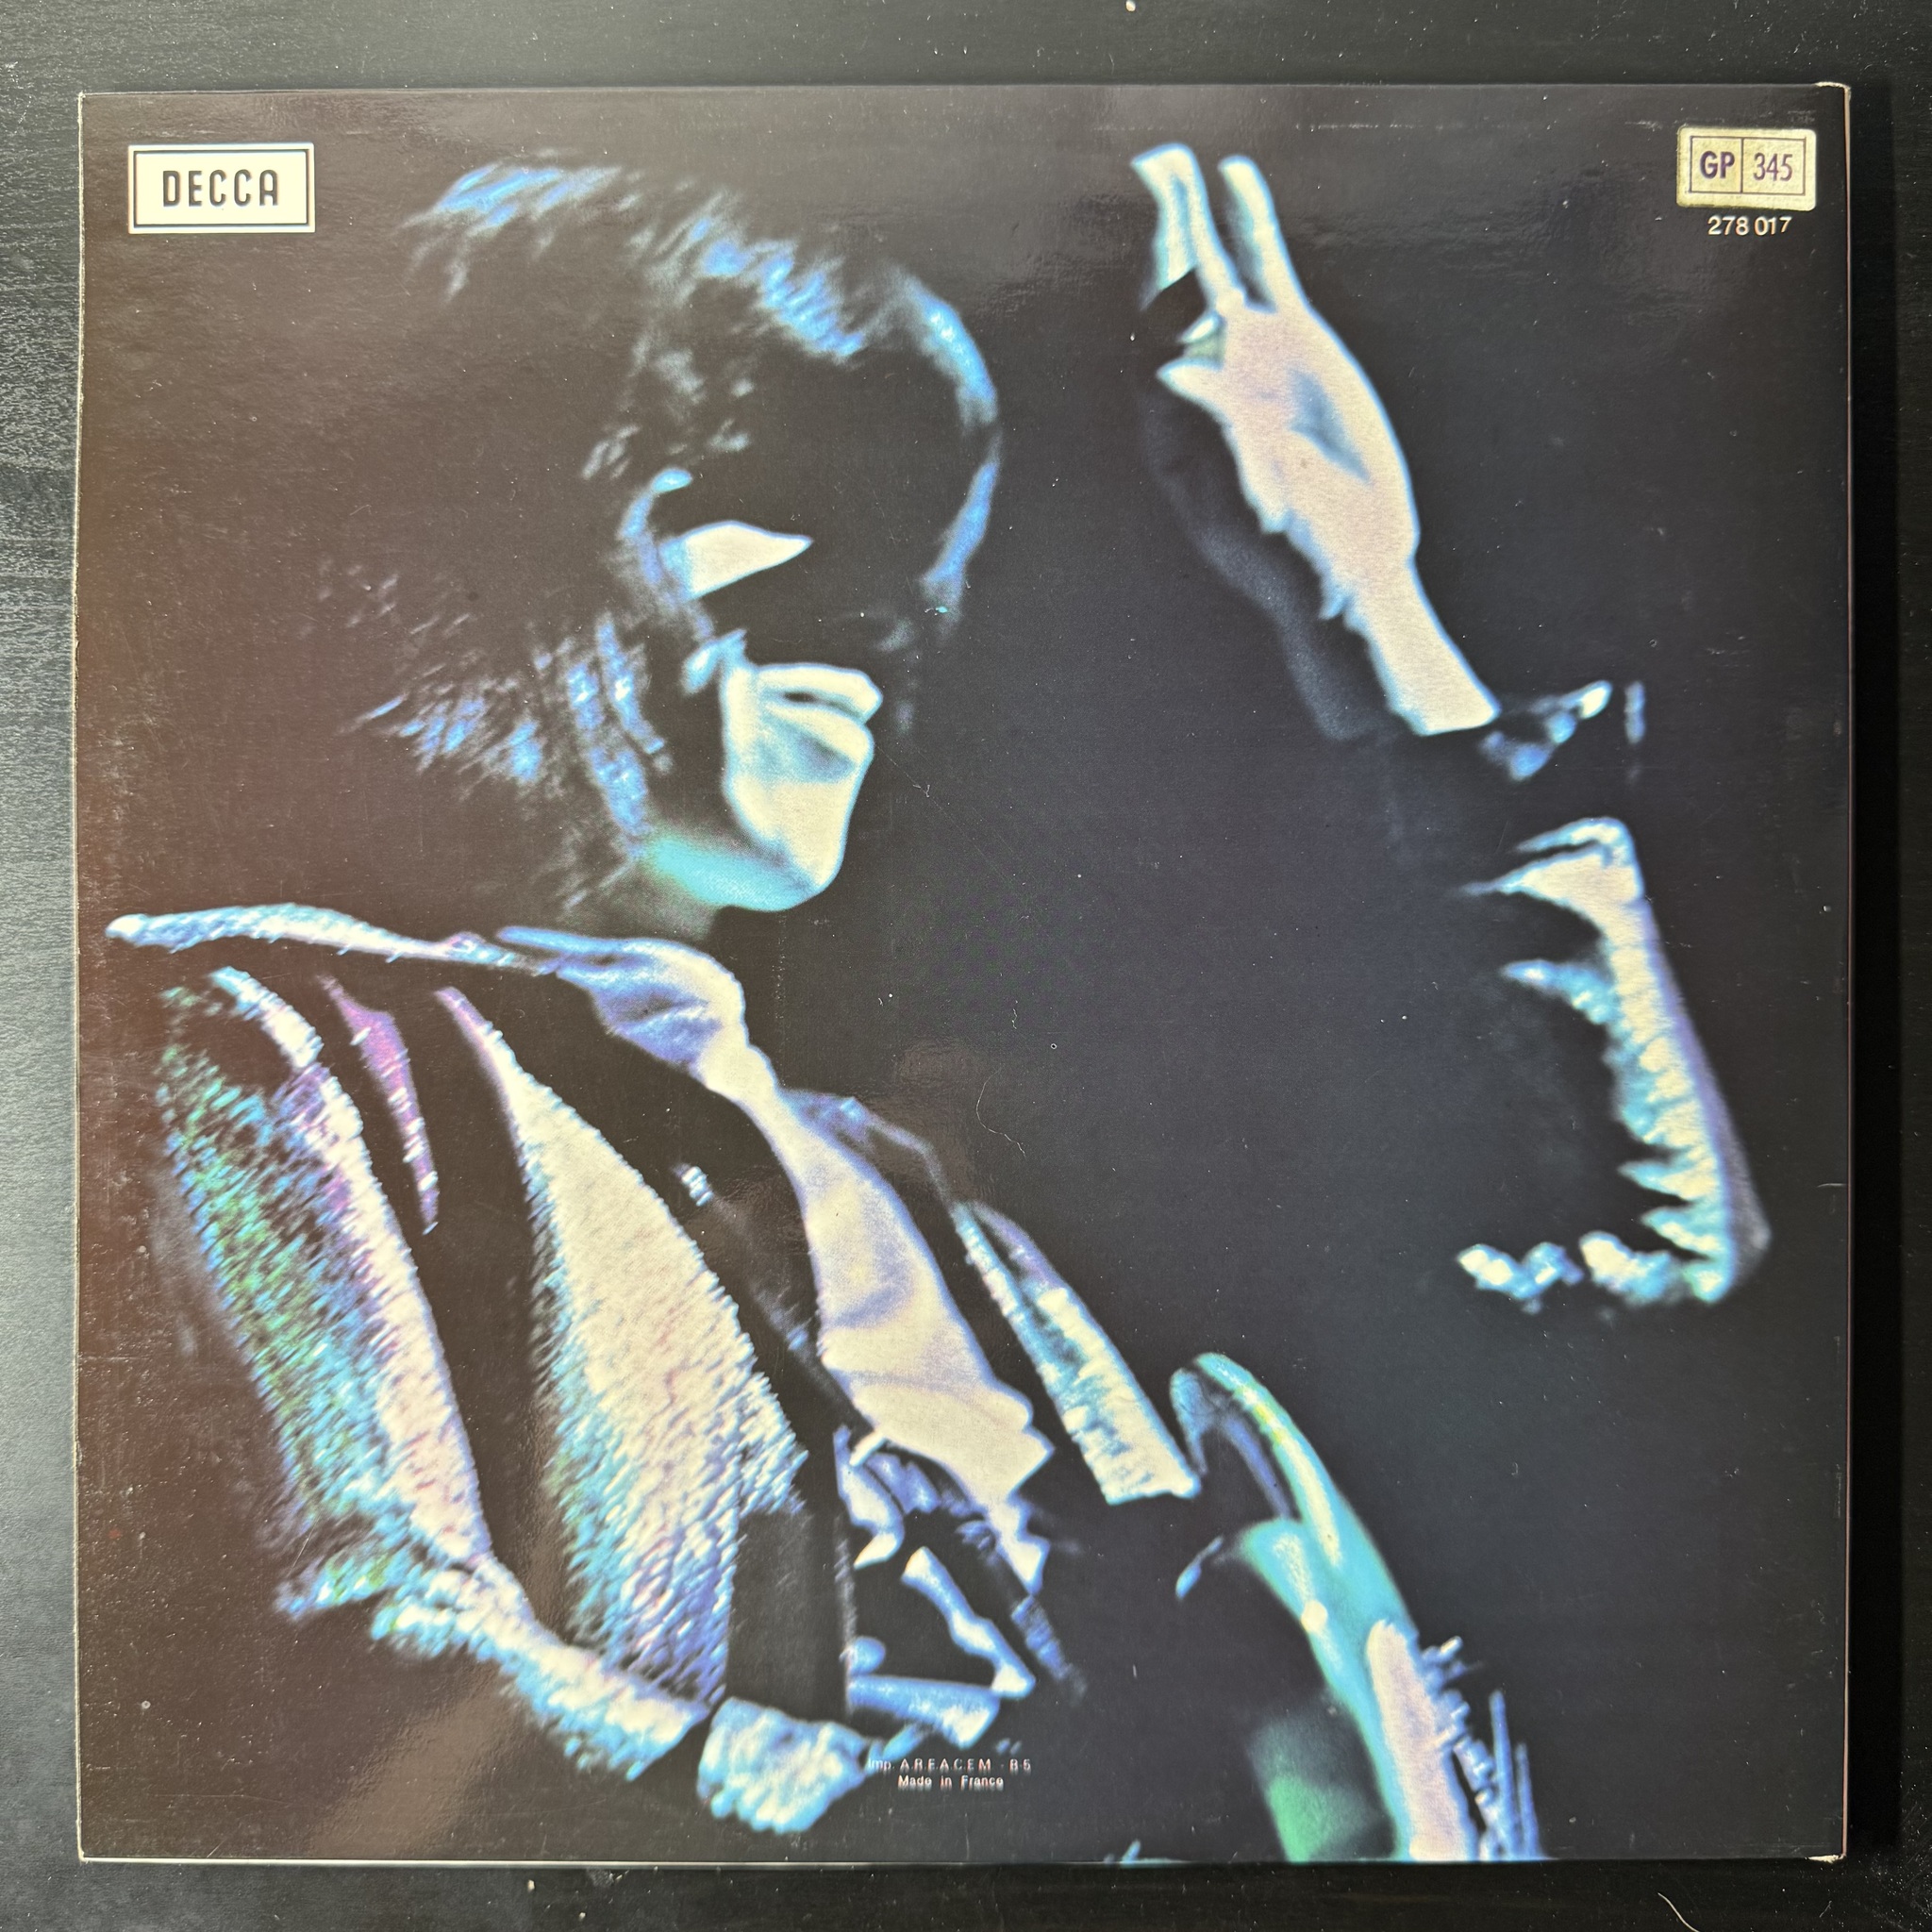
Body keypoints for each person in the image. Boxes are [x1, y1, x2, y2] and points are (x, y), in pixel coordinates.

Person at [85, 143, 1668, 1863]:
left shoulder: (950, 1208)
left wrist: (1370, 612)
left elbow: (1629, 1308)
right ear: (493, 532)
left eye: (910, 525)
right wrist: (974, 1818)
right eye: (765, 487)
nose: (884, 598)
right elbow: (377, 1666)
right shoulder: (273, 1055)